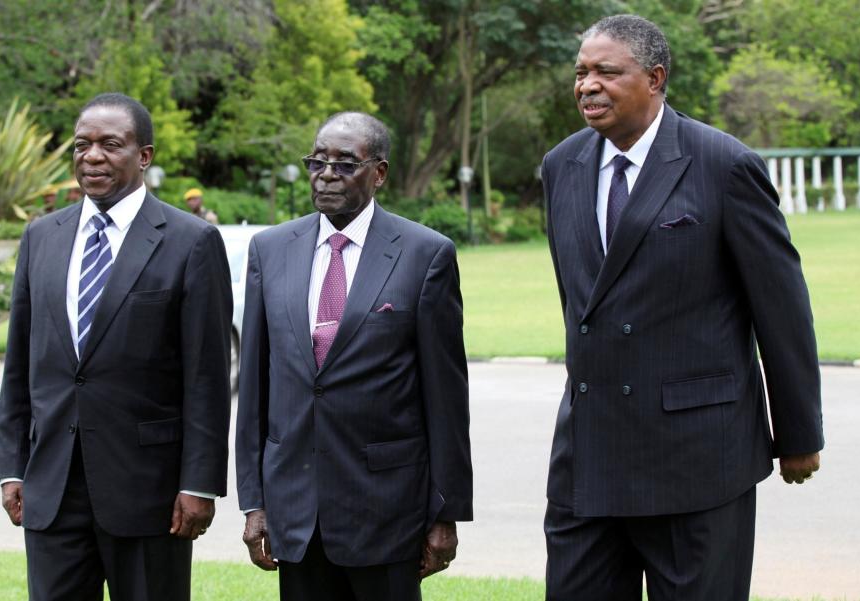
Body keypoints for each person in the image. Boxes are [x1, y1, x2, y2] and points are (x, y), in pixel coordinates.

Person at [540, 15, 823, 601]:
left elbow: (782, 308)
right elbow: (580, 303)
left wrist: (797, 433)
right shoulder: (560, 166)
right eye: (581, 72)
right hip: (587, 459)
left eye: (606, 72)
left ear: (655, 78)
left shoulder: (724, 164)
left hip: (698, 460)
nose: (587, 85)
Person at [0, 93, 233, 601]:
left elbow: (206, 378)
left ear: (143, 156)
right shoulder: (41, 238)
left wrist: (199, 484)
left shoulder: (190, 242)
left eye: (109, 144)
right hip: (53, 486)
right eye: (82, 145)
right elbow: (21, 364)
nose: (92, 156)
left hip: (150, 494)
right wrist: (12, 466)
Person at [235, 111, 473, 601]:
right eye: (317, 162)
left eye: (345, 164)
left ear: (379, 173)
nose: (326, 174)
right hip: (296, 512)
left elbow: (446, 398)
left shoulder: (425, 254)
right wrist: (254, 502)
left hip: (387, 511)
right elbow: (257, 387)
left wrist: (445, 512)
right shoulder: (270, 250)